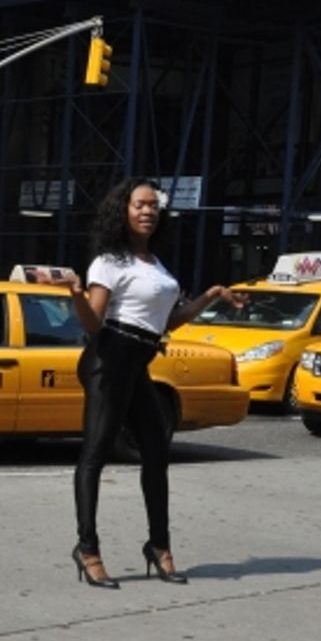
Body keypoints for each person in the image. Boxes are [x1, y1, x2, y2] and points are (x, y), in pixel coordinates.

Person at [57, 178, 240, 589]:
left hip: (138, 363)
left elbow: (166, 322)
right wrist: (76, 294)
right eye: (140, 204)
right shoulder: (109, 261)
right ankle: (87, 549)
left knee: (156, 452)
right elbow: (94, 324)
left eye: (154, 205)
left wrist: (210, 295)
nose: (148, 211)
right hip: (108, 361)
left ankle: (159, 546)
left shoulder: (154, 264)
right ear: (123, 210)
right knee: (96, 454)